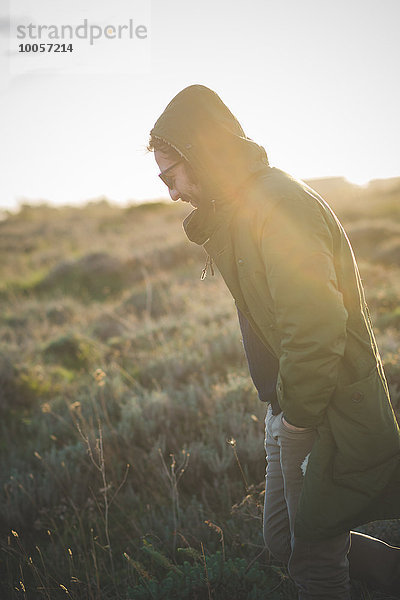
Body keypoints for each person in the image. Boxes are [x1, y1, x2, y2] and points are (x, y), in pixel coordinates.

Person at [148, 84, 400, 599]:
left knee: (313, 558)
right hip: (291, 404)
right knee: (284, 539)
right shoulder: (242, 206)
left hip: (319, 407)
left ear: (201, 155)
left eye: (171, 176)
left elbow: (314, 326)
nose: (171, 192)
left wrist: (298, 417)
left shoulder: (277, 202)